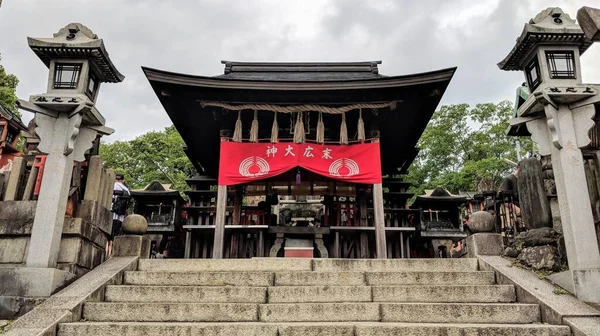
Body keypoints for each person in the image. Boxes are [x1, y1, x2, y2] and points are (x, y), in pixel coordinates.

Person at [107, 173, 130, 256]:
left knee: (108, 235)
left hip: (109, 212)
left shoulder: (110, 186)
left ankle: (107, 251)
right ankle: (112, 252)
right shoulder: (126, 190)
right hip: (119, 216)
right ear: (123, 180)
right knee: (115, 235)